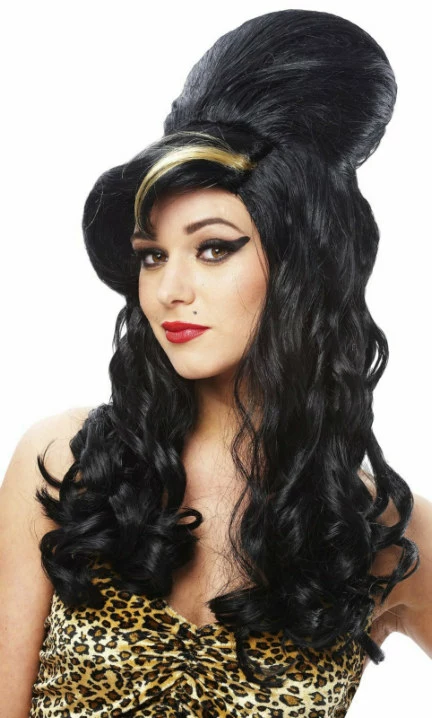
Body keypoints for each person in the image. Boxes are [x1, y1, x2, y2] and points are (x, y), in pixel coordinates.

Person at [1, 8, 431, 717]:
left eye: (213, 247)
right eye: (151, 256)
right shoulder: (66, 465)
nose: (169, 289)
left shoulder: (380, 530)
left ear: (298, 264)